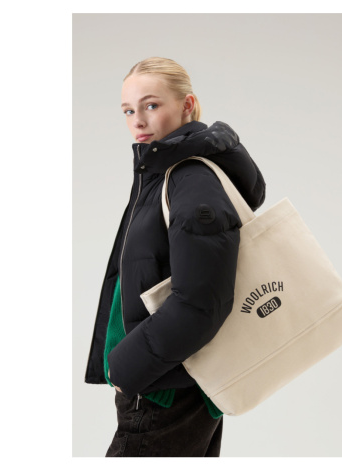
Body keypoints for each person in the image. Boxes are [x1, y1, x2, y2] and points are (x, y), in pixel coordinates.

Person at [84, 57, 266, 457]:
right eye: (128, 110)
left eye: (151, 105)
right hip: (170, 378)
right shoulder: (162, 175)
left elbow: (201, 302)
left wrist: (127, 366)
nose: (138, 121)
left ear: (187, 105)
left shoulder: (191, 181)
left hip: (164, 390)